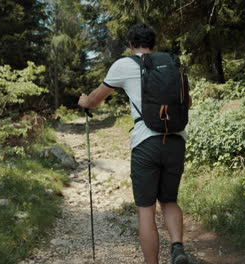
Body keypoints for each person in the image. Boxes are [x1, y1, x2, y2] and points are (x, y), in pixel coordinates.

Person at [78, 23, 190, 264]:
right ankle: (178, 248)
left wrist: (84, 102)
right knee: (170, 200)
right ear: (153, 45)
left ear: (130, 45)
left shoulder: (124, 65)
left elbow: (96, 99)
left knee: (146, 210)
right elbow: (186, 103)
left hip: (145, 142)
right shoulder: (171, 64)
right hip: (176, 141)